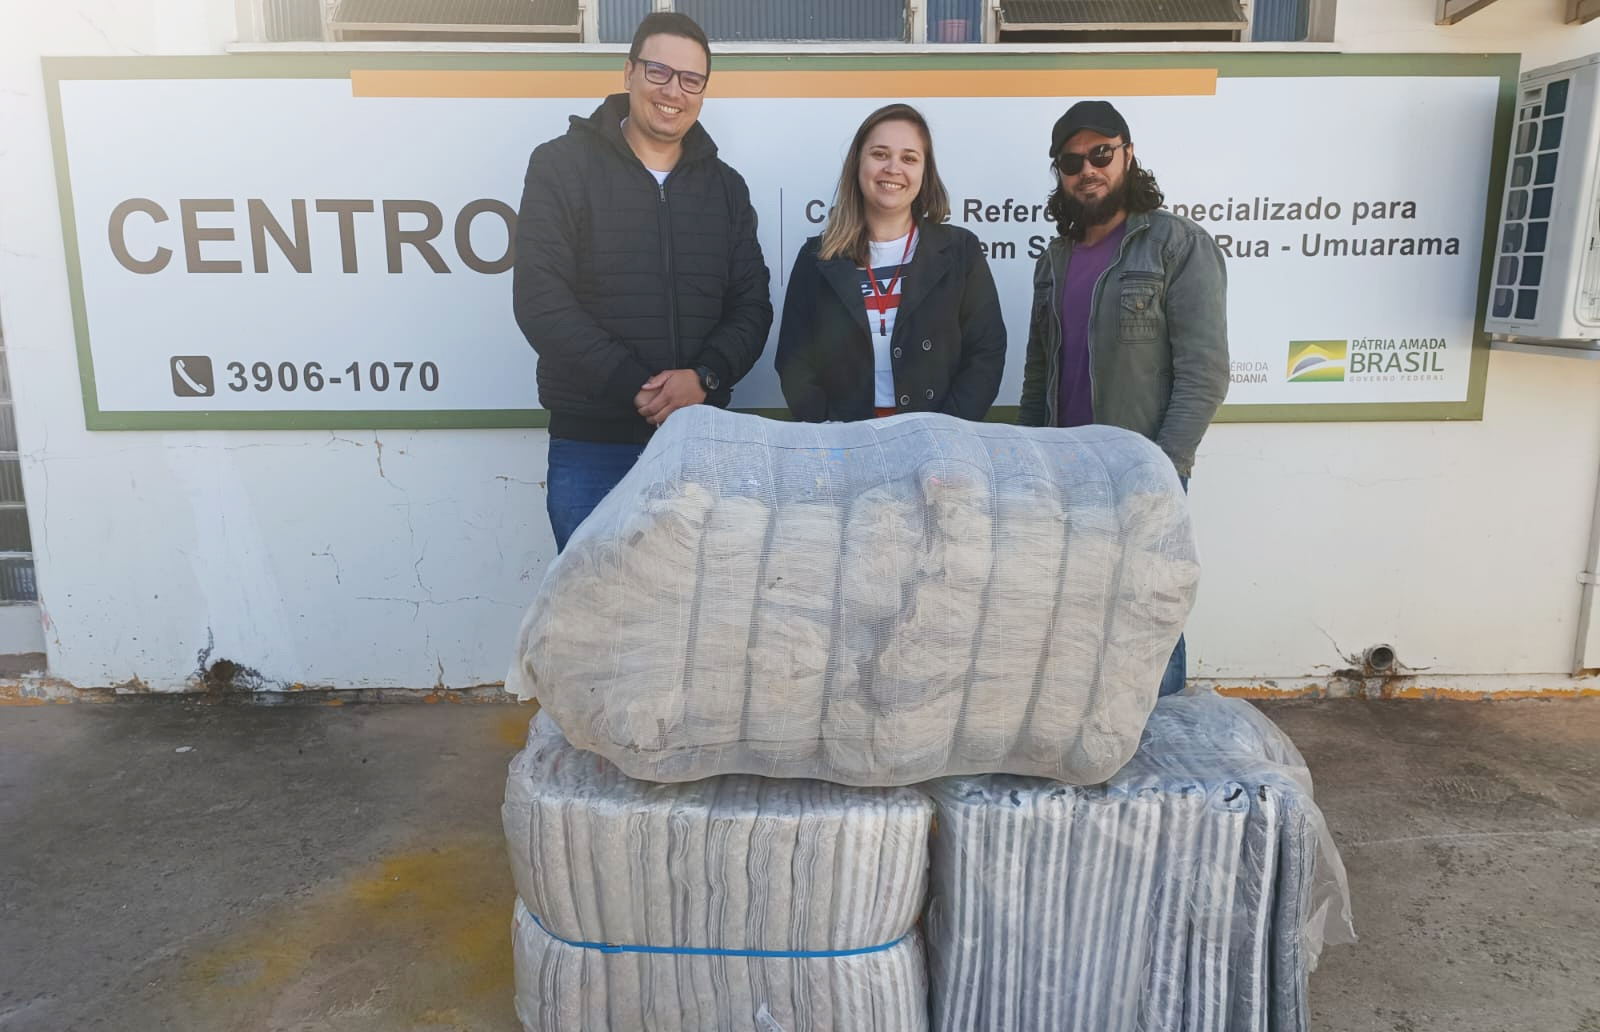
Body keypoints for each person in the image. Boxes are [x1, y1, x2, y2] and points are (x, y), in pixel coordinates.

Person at [513, 13, 772, 551]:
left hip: (698, 442)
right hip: (591, 443)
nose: (673, 90)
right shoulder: (561, 167)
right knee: (595, 617)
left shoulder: (726, 189)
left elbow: (751, 306)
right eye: (659, 71)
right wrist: (639, 386)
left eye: (690, 79)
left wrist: (704, 377)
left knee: (695, 616)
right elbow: (541, 300)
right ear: (628, 72)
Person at [1018, 100, 1229, 697]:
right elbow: (1040, 375)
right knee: (1076, 620)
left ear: (1128, 154)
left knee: (1148, 617)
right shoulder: (1054, 260)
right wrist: (1031, 462)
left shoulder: (1175, 244)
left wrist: (1162, 469)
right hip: (1066, 476)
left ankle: (1162, 749)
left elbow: (1204, 372)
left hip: (1144, 475)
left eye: (1101, 154)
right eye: (1071, 160)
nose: (1088, 169)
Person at [776, 103, 1005, 423]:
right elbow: (794, 362)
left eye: (909, 158)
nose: (893, 168)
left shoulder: (960, 251)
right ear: (858, 163)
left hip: (938, 442)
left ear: (925, 173)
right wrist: (831, 434)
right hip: (843, 444)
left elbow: (986, 353)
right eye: (880, 154)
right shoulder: (817, 258)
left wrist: (947, 432)